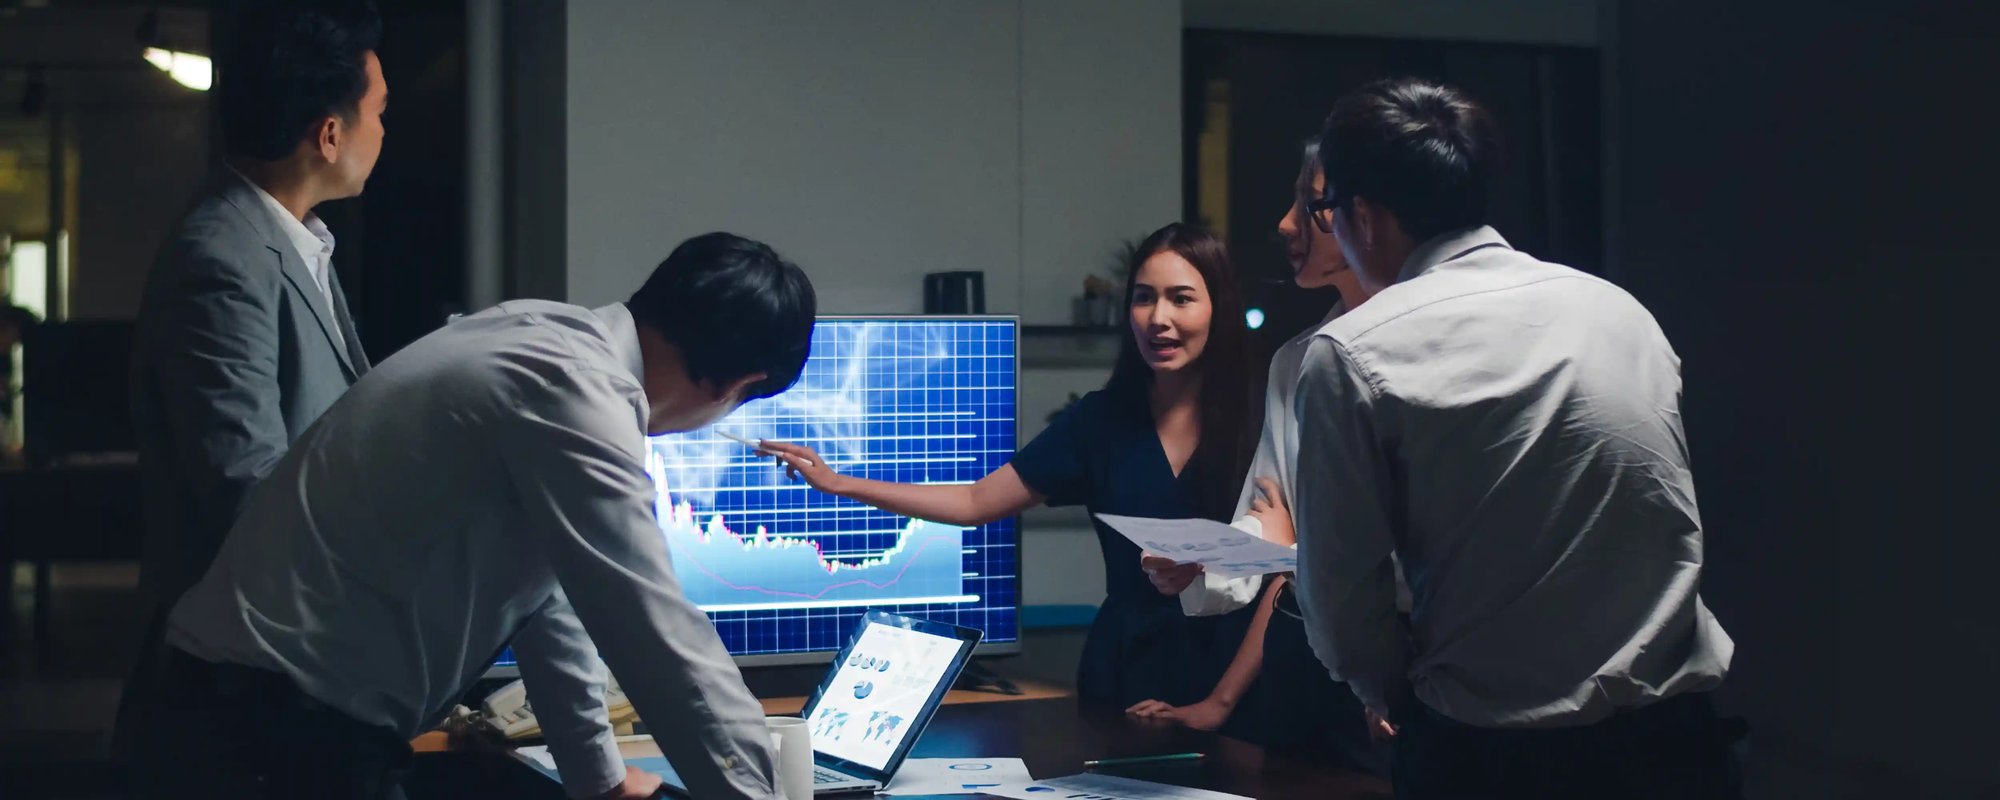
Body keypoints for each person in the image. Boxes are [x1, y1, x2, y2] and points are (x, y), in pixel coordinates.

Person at [124, 232, 814, 800]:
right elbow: (655, 632)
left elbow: (551, 603)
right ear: (737, 386)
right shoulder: (580, 396)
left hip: (231, 707)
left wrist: (599, 782)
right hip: (271, 733)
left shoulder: (537, 333)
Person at [1290, 76, 1739, 798]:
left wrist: (1392, 694)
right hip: (1676, 748)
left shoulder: (1353, 352)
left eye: (1325, 212)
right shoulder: (1619, 311)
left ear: (1363, 217)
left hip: (1491, 756)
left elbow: (1342, 603)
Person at [760, 222, 1262, 711]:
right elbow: (975, 501)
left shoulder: (1260, 418)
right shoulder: (1100, 420)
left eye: (1181, 298)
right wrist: (836, 482)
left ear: (1219, 307)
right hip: (1124, 672)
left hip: (1234, 672)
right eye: (1144, 297)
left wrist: (1220, 703)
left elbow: (1285, 568)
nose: (1158, 318)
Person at [1128, 142, 1390, 775]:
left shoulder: (1429, 350)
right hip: (1307, 663)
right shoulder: (1298, 362)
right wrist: (1206, 556)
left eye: (1308, 203)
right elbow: (1274, 521)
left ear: (1369, 217)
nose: (1284, 224)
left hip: (1408, 668)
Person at [128, 0, 385, 645]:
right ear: (330, 135)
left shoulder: (292, 243)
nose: (384, 131)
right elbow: (246, 490)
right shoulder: (223, 259)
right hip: (245, 666)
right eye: (380, 113)